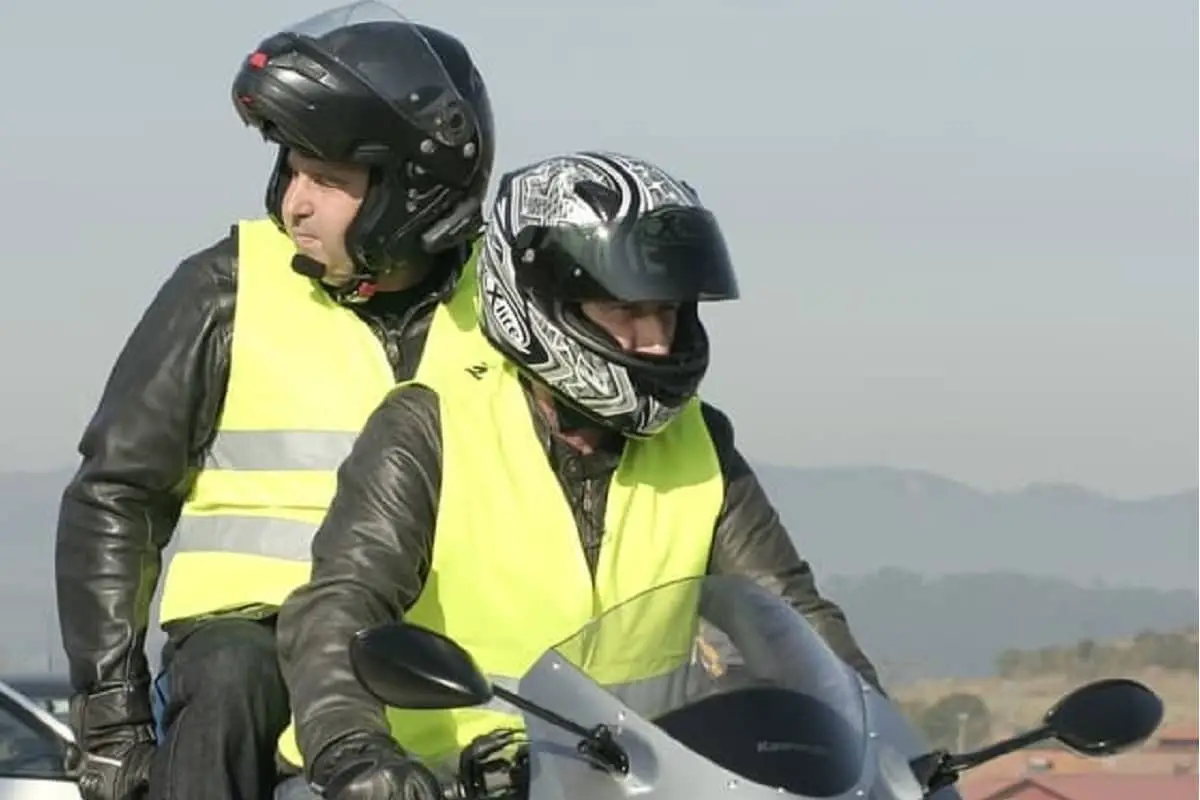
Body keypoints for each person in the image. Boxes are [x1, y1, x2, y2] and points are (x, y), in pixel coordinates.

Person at [273, 150, 883, 800]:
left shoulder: (701, 442)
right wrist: (354, 752)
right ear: (540, 303)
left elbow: (788, 612)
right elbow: (341, 606)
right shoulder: (430, 426)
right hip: (430, 782)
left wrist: (877, 745)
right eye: (626, 311)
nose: (655, 341)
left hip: (626, 785)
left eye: (668, 313)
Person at [52, 2, 495, 798]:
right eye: (291, 169)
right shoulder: (224, 286)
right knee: (231, 677)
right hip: (250, 659)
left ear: (415, 191)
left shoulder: (511, 314)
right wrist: (113, 725)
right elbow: (115, 495)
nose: (293, 202)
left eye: (327, 180)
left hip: (450, 668)